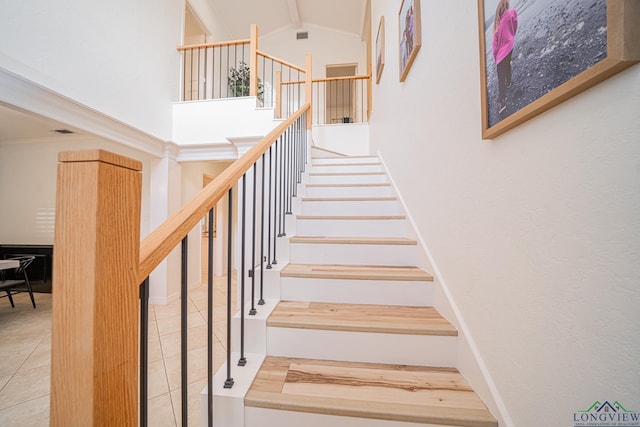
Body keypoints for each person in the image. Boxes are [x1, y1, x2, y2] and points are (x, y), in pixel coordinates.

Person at [492, 0, 518, 114]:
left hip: (500, 55)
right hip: (510, 46)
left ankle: (502, 102)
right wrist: (512, 35)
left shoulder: (497, 28)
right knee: (508, 65)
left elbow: (495, 47)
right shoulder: (512, 13)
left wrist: (495, 58)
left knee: (500, 79)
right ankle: (509, 82)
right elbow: (515, 24)